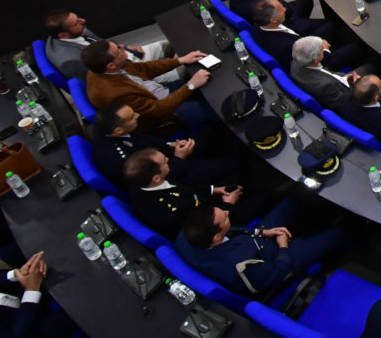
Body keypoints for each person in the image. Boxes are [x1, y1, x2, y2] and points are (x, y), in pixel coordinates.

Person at [177, 199, 344, 298]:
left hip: (254, 240)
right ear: (216, 238)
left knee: (292, 203)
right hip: (277, 258)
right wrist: (283, 245)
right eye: (224, 218)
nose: (228, 213)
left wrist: (262, 232)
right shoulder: (240, 266)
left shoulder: (187, 235)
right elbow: (277, 273)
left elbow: (232, 230)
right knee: (336, 235)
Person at [124, 148, 265, 241]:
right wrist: (228, 204)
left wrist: (213, 190)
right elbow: (207, 226)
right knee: (263, 199)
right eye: (164, 162)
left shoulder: (142, 181)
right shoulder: (173, 209)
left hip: (201, 203)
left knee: (237, 176)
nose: (168, 159)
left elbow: (184, 187)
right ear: (156, 178)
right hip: (212, 223)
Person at [90, 101, 235, 190]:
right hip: (172, 175)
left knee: (208, 133)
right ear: (118, 131)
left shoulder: (115, 131)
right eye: (132, 117)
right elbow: (158, 179)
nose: (138, 115)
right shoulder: (126, 161)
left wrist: (172, 144)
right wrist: (179, 158)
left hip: (166, 156)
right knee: (230, 164)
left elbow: (146, 141)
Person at [82, 39, 213, 131]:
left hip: (158, 91)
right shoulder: (116, 93)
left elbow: (146, 68)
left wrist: (180, 60)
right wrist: (191, 85)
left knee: (210, 82)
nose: (123, 46)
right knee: (216, 110)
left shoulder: (102, 68)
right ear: (111, 66)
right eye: (119, 50)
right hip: (166, 111)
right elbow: (159, 109)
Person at [43, 8, 171, 80]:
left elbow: (104, 44)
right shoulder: (71, 60)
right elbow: (106, 79)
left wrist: (125, 48)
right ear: (63, 35)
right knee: (180, 68)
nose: (83, 21)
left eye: (78, 18)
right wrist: (125, 58)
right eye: (76, 23)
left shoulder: (72, 32)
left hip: (126, 56)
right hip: (130, 74)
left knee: (169, 45)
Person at [250, 0, 353, 69]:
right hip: (317, 61)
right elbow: (314, 61)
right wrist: (325, 49)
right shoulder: (286, 46)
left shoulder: (261, 22)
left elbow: (289, 12)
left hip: (303, 40)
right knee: (355, 48)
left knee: (332, 26)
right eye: (281, 9)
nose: (285, 9)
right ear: (273, 20)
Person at [290, 37, 376, 118]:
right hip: (352, 97)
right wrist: (358, 87)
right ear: (316, 60)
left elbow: (324, 72)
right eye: (322, 49)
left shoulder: (297, 61)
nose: (325, 48)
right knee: (373, 69)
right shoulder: (325, 85)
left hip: (341, 82)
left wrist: (345, 78)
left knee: (369, 67)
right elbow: (345, 104)